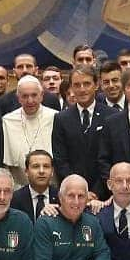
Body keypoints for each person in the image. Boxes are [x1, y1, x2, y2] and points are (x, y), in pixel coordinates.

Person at [52, 64, 110, 193]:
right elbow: (60, 160)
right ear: (71, 87)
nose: (82, 89)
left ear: (96, 85)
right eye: (77, 85)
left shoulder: (111, 116)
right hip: (72, 193)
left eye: (87, 84)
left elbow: (111, 157)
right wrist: (78, 189)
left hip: (104, 193)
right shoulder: (61, 119)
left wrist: (96, 192)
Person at [1, 75, 57, 189]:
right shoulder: (7, 121)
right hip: (19, 187)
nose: (30, 100)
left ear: (41, 96)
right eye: (25, 96)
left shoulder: (56, 117)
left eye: (34, 95)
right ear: (18, 98)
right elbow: (6, 165)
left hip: (52, 186)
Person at [10, 149, 58, 222]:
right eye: (36, 166)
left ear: (52, 171)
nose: (41, 171)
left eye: (46, 166)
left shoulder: (61, 198)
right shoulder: (14, 199)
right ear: (26, 172)